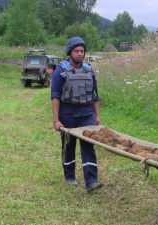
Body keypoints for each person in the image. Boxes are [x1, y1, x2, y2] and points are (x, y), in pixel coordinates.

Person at [51, 37, 103, 193]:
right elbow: (55, 96)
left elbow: (95, 95)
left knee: (88, 145)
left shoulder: (89, 70)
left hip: (86, 114)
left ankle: (91, 181)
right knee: (69, 145)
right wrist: (56, 120)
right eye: (76, 51)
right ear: (70, 52)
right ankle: (70, 176)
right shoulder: (60, 72)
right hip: (67, 114)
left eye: (82, 51)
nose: (80, 54)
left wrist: (97, 116)